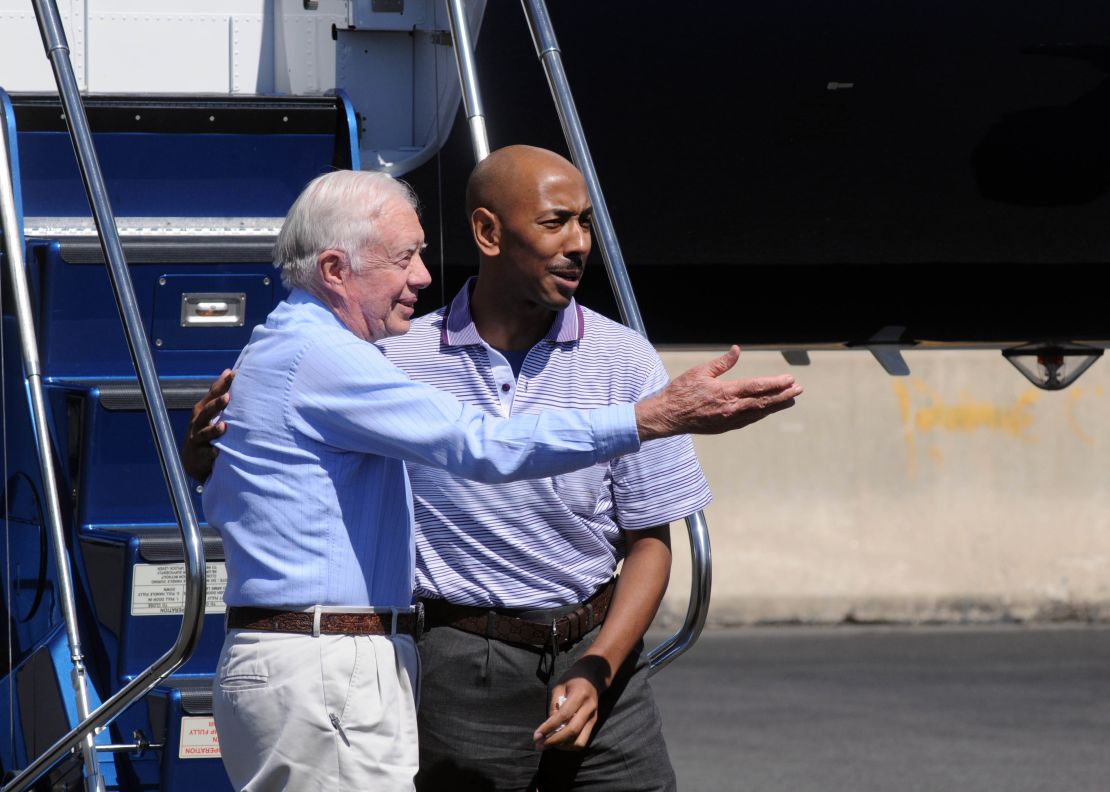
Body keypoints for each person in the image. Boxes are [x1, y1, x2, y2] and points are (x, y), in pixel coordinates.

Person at [189, 167, 802, 792]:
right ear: (336, 270)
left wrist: (205, 459)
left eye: (584, 221)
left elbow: (245, 492)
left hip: (335, 665)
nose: (423, 276)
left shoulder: (295, 351)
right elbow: (476, 443)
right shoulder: (346, 359)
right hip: (341, 669)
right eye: (405, 258)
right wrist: (651, 417)